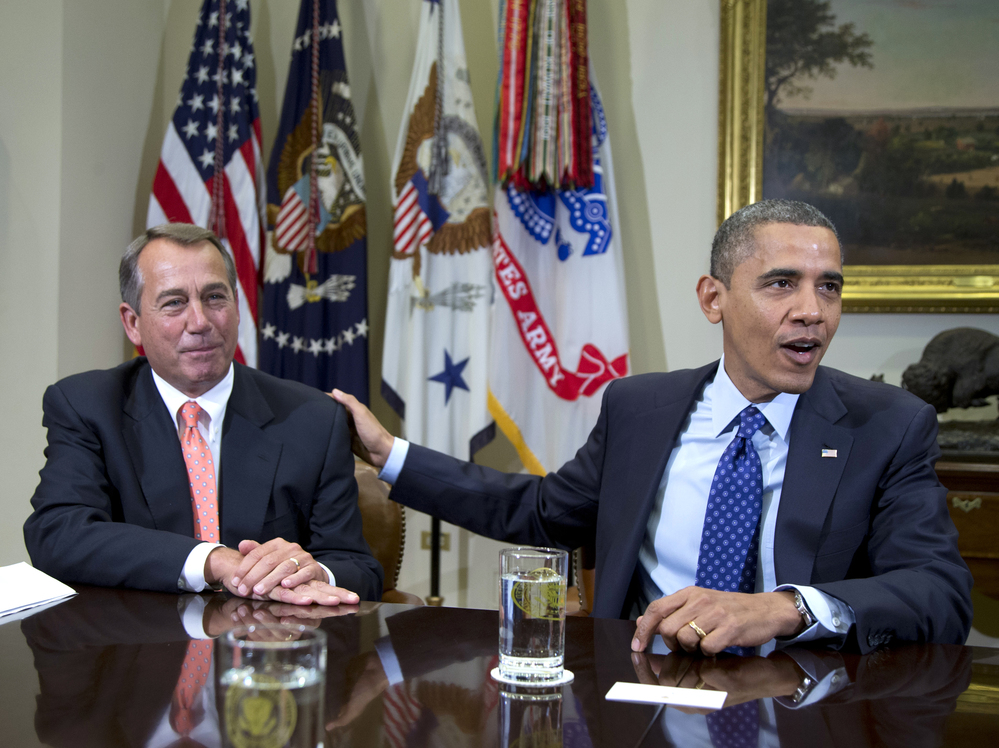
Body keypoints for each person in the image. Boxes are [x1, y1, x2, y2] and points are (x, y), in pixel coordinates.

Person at [333, 199, 972, 653]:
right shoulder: (641, 409)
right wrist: (392, 455)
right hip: (641, 688)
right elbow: (541, 511)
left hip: (801, 702)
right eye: (782, 284)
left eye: (828, 288)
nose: (812, 312)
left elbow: (938, 593)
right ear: (712, 298)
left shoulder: (888, 426)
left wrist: (784, 608)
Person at [24, 224, 382, 605]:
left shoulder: (312, 417)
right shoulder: (87, 405)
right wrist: (212, 560)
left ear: (237, 307)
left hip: (264, 651)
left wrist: (311, 572)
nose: (199, 323)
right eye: (174, 302)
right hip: (140, 650)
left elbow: (357, 568)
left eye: (214, 297)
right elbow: (58, 535)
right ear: (133, 323)